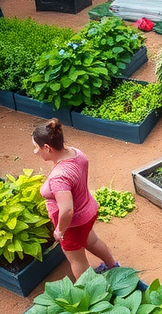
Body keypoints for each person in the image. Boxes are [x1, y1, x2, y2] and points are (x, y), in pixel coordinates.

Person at [32, 119, 119, 279]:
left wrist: (60, 230)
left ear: (47, 147)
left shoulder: (59, 178)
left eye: (36, 147)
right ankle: (113, 267)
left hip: (72, 225)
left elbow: (67, 209)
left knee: (77, 261)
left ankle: (94, 294)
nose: (35, 151)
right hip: (87, 212)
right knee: (92, 242)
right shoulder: (75, 153)